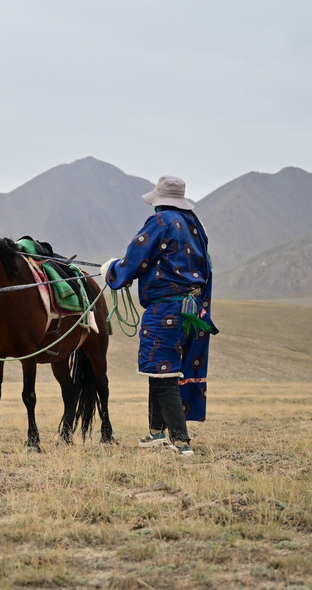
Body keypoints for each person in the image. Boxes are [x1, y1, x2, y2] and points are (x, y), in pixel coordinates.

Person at [100, 175, 217, 455]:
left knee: (164, 374)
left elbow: (136, 259)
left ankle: (181, 442)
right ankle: (156, 433)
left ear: (159, 200)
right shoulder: (194, 225)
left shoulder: (161, 222)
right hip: (192, 309)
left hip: (166, 308)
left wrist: (114, 271)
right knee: (160, 370)